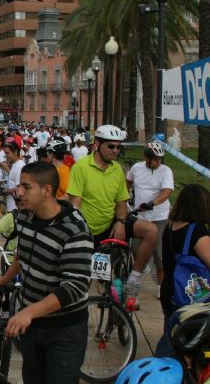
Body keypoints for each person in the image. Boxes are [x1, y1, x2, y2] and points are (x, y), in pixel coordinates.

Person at [0, 162, 93, 384]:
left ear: (47, 191)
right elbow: (22, 253)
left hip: (65, 329)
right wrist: (4, 280)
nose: (19, 192)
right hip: (33, 327)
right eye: (19, 186)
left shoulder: (74, 229)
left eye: (26, 187)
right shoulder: (24, 217)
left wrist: (29, 312)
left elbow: (74, 287)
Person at [68, 124, 157, 310]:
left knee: (151, 231)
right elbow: (74, 205)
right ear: (97, 144)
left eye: (118, 147)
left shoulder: (117, 169)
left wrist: (121, 222)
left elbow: (122, 202)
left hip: (113, 221)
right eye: (111, 146)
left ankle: (132, 281)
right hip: (88, 229)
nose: (115, 151)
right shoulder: (81, 167)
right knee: (82, 282)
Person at [126, 141, 174, 298]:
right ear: (147, 158)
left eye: (160, 159)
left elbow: (167, 192)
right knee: (136, 249)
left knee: (160, 254)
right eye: (155, 159)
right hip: (141, 217)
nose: (157, 162)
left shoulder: (165, 171)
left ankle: (161, 285)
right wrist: (125, 198)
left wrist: (152, 204)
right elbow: (127, 182)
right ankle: (139, 270)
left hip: (160, 217)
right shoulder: (136, 168)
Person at [159, 185, 210, 324]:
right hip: (193, 296)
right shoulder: (197, 232)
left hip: (170, 291)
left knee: (172, 335)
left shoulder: (170, 227)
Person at [2, 142, 25, 212]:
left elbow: (20, 189)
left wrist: (4, 191)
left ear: (15, 152)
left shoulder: (19, 167)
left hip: (15, 209)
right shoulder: (15, 165)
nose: (5, 156)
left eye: (7, 153)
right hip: (12, 207)